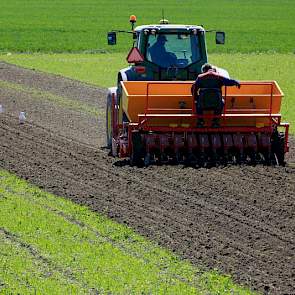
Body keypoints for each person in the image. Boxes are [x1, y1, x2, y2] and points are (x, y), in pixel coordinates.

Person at [191, 63, 240, 127]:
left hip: (203, 103)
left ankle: (200, 121)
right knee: (222, 102)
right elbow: (228, 82)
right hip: (217, 103)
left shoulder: (200, 77)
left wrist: (196, 98)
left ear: (203, 71)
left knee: (197, 103)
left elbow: (193, 88)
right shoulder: (218, 76)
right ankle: (215, 122)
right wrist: (236, 82)